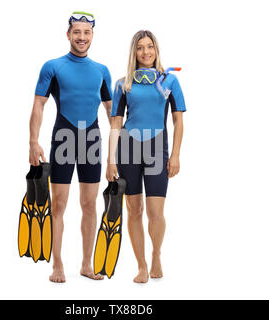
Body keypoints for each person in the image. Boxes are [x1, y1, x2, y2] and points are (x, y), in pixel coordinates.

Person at [29, 12, 113, 283]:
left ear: (92, 36)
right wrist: (33, 141)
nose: (81, 37)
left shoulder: (102, 71)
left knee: (90, 204)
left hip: (91, 141)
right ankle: (58, 265)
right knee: (59, 206)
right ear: (68, 35)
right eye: (76, 32)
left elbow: (113, 114)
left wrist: (119, 151)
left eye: (86, 33)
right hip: (63, 139)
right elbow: (39, 105)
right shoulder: (52, 67)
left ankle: (87, 265)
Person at [106, 30, 186, 283]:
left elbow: (178, 120)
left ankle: (156, 253)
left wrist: (175, 155)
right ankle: (141, 265)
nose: (145, 52)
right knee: (134, 210)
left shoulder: (170, 81)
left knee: (155, 212)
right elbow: (116, 123)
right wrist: (110, 160)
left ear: (156, 49)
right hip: (128, 148)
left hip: (157, 148)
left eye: (149, 47)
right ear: (134, 52)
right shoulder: (123, 84)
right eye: (140, 48)